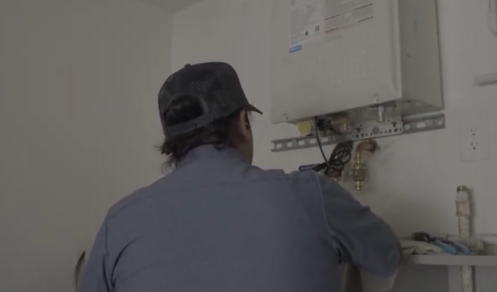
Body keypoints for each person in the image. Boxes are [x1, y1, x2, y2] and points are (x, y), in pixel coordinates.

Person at [78, 62, 401, 292]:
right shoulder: (311, 193)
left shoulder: (120, 219)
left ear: (171, 139)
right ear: (244, 121)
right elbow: (387, 256)